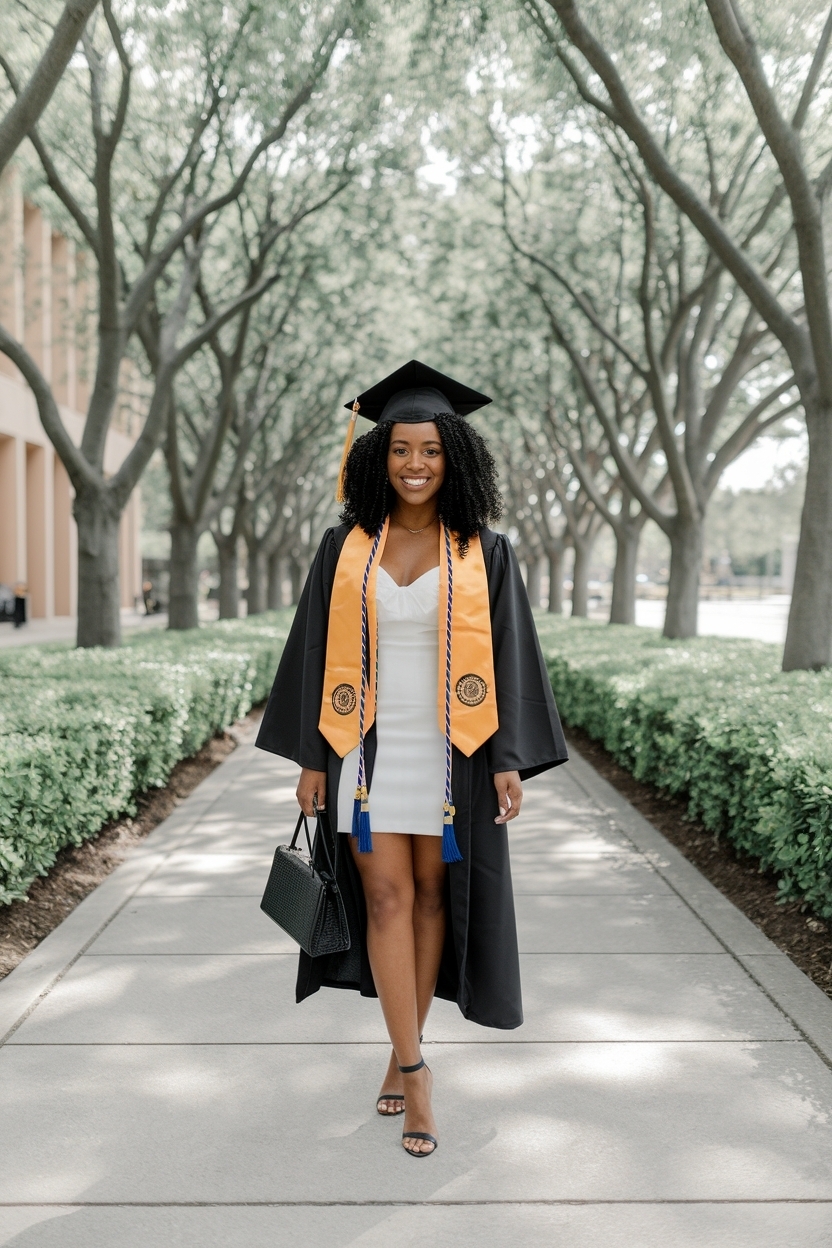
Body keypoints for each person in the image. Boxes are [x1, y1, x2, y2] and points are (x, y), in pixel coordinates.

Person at [256, 360, 567, 1158]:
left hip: (450, 755)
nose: (415, 465)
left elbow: (508, 656)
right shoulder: (345, 548)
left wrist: (505, 757)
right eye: (400, 450)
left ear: (453, 456)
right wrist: (313, 760)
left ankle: (401, 1051)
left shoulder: (483, 552)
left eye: (430, 450)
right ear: (377, 458)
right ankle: (418, 1069)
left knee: (433, 898)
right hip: (363, 752)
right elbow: (310, 652)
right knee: (387, 901)